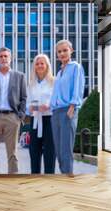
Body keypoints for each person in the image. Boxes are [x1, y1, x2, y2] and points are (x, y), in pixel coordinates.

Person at [50, 40, 85, 177]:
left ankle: (68, 178)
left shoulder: (75, 67)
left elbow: (78, 87)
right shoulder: (59, 72)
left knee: (66, 149)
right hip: (56, 112)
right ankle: (64, 174)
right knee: (58, 150)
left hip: (67, 111)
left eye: (65, 50)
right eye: (59, 51)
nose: (62, 53)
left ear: (71, 51)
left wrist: (72, 106)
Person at [26, 54, 55, 174]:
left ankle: (50, 181)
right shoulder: (31, 83)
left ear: (47, 65)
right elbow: (27, 103)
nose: (39, 66)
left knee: (49, 152)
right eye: (37, 64)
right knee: (34, 152)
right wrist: (30, 108)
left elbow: (56, 100)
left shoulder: (54, 82)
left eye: (42, 63)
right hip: (35, 121)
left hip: (49, 120)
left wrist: (49, 105)